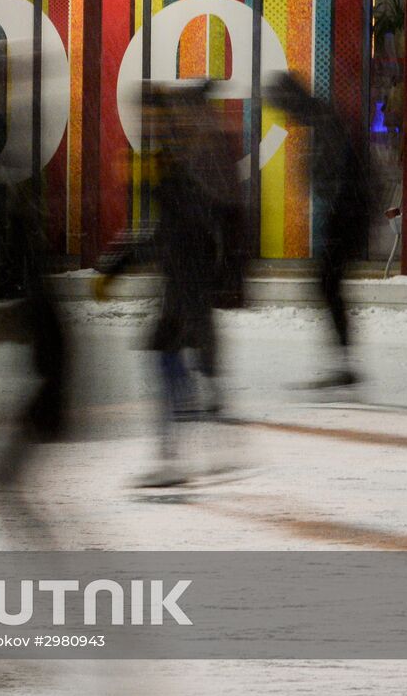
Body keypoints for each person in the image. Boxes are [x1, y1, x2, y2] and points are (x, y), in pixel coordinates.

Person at [95, 81, 245, 488]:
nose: (145, 120)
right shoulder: (172, 153)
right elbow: (173, 224)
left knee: (168, 353)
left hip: (190, 271)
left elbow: (181, 225)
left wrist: (122, 260)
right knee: (177, 355)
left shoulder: (182, 156)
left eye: (149, 112)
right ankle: (201, 443)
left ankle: (176, 453)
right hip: (185, 270)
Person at [268, 72, 372, 391]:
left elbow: (335, 172)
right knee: (328, 286)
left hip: (346, 216)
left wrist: (316, 178)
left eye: (284, 109)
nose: (286, 118)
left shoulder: (321, 120)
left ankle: (344, 365)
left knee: (327, 285)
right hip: (347, 215)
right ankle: (343, 363)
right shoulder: (320, 117)